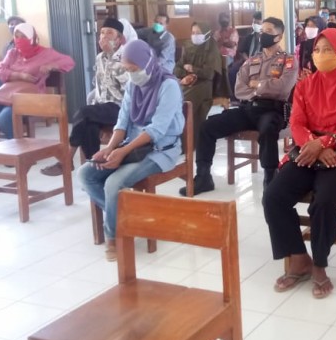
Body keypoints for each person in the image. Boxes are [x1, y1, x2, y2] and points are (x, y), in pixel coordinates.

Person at [263, 28, 336, 299]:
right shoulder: (305, 86)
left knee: (324, 201)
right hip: (308, 150)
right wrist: (315, 146)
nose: (321, 55)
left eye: (328, 50)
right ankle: (299, 258)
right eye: (317, 50)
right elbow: (297, 123)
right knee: (273, 196)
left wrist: (324, 143)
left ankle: (320, 264)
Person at [78, 39, 184, 261]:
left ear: (147, 62)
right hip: (134, 146)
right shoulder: (133, 86)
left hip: (160, 149)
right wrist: (109, 149)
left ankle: (114, 237)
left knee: (113, 183)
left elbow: (156, 130)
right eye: (127, 70)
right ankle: (134, 219)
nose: (132, 75)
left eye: (134, 69)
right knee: (85, 174)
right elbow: (122, 122)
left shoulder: (168, 86)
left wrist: (122, 152)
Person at [189, 17, 297, 195]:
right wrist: (263, 88)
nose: (263, 34)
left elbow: (282, 88)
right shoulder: (252, 60)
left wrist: (256, 85)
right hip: (248, 109)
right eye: (262, 31)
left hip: (273, 110)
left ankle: (270, 178)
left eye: (269, 31)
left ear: (279, 36)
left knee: (268, 129)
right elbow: (239, 89)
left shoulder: (289, 61)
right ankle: (203, 176)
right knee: (208, 126)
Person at [0, 23, 75, 172]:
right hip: (6, 94)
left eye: (23, 36)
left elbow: (69, 61)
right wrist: (19, 75)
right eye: (16, 36)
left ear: (32, 37)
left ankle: (21, 155)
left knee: (4, 118)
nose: (19, 40)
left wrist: (51, 65)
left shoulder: (46, 53)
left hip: (29, 97)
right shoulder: (13, 53)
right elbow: (0, 72)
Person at [41, 17, 128, 176]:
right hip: (102, 106)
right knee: (89, 125)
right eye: (102, 33)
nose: (104, 36)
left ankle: (66, 159)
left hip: (121, 108)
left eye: (109, 33)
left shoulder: (126, 57)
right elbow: (99, 86)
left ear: (119, 39)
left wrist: (111, 56)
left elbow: (129, 90)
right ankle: (93, 167)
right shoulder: (100, 57)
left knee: (84, 112)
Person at [174, 22, 224, 146]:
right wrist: (187, 74)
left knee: (184, 103)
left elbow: (209, 74)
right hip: (186, 82)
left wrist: (193, 70)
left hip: (204, 84)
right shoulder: (188, 46)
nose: (195, 36)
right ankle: (174, 141)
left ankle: (187, 142)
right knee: (171, 99)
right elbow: (176, 69)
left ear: (206, 34)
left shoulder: (212, 48)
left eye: (198, 33)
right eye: (193, 33)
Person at [229, 11, 263, 98]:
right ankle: (235, 97)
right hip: (247, 61)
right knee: (233, 70)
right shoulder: (249, 37)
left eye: (258, 23)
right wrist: (247, 60)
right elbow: (242, 51)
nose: (255, 24)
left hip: (260, 63)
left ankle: (249, 96)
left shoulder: (265, 38)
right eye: (254, 22)